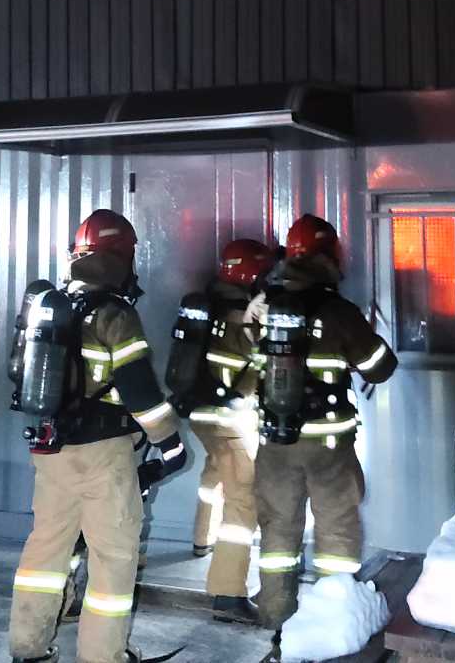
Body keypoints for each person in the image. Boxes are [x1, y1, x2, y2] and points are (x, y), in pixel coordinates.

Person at [8, 209, 187, 663]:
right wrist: (170, 444)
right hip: (103, 455)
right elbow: (139, 391)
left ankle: (28, 648)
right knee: (113, 557)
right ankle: (102, 656)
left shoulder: (53, 306)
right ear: (122, 258)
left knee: (47, 548)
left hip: (50, 448)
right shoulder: (114, 314)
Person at [251, 214, 398, 633]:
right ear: (330, 257)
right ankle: (332, 626)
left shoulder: (265, 306)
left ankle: (276, 618)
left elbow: (248, 363)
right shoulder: (338, 311)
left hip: (275, 440)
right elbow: (379, 367)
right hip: (328, 442)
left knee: (278, 530)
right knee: (336, 527)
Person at [173, 239, 274, 625]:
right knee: (243, 498)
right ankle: (228, 594)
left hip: (199, 415)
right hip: (229, 418)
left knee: (215, 472)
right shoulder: (243, 318)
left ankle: (202, 540)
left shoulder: (207, 308)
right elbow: (256, 374)